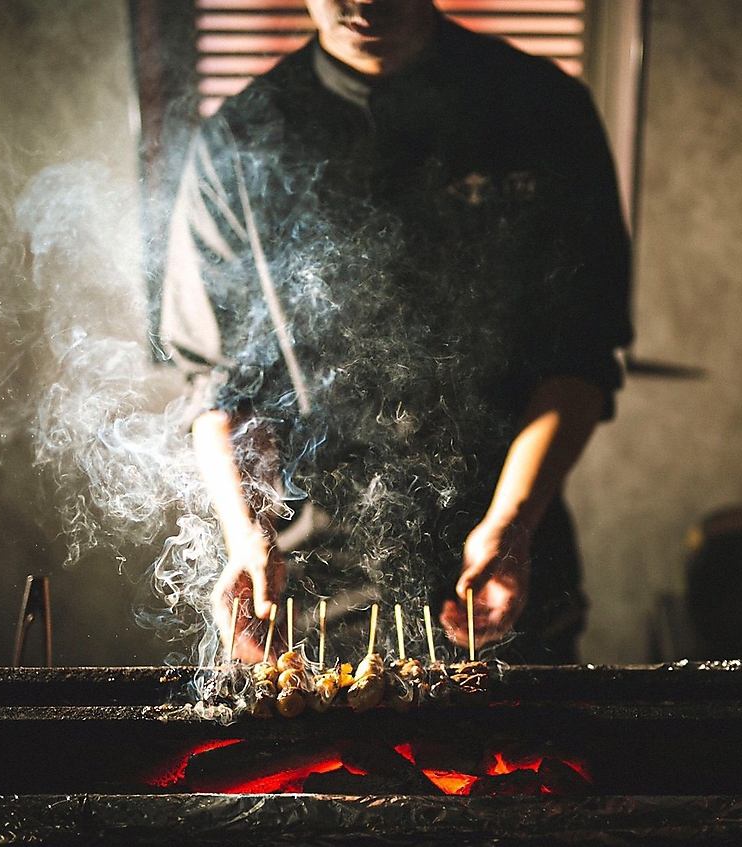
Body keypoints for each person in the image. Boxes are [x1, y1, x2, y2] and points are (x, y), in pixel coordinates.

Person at [161, 0, 632, 663]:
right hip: (309, 581)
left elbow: (579, 359)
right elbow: (219, 384)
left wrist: (510, 525)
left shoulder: (541, 111)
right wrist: (246, 537)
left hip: (504, 563)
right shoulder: (239, 140)